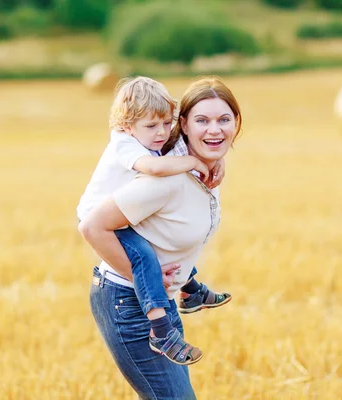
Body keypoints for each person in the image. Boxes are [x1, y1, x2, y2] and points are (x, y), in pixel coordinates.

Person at [78, 75, 242, 399]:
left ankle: (191, 292)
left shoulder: (193, 166)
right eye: (202, 120)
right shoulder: (164, 177)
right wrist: (146, 279)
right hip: (129, 303)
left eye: (224, 119)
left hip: (159, 301)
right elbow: (91, 227)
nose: (214, 129)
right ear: (186, 124)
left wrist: (211, 159)